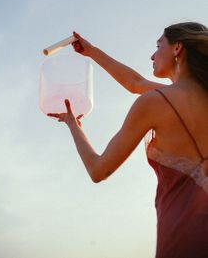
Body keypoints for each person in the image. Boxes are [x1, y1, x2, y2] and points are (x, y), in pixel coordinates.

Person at [48, 22, 208, 258]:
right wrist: (91, 51)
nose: (153, 54)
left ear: (177, 49)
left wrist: (74, 126)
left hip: (183, 235)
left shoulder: (157, 102)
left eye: (158, 46)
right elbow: (135, 83)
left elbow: (98, 170)